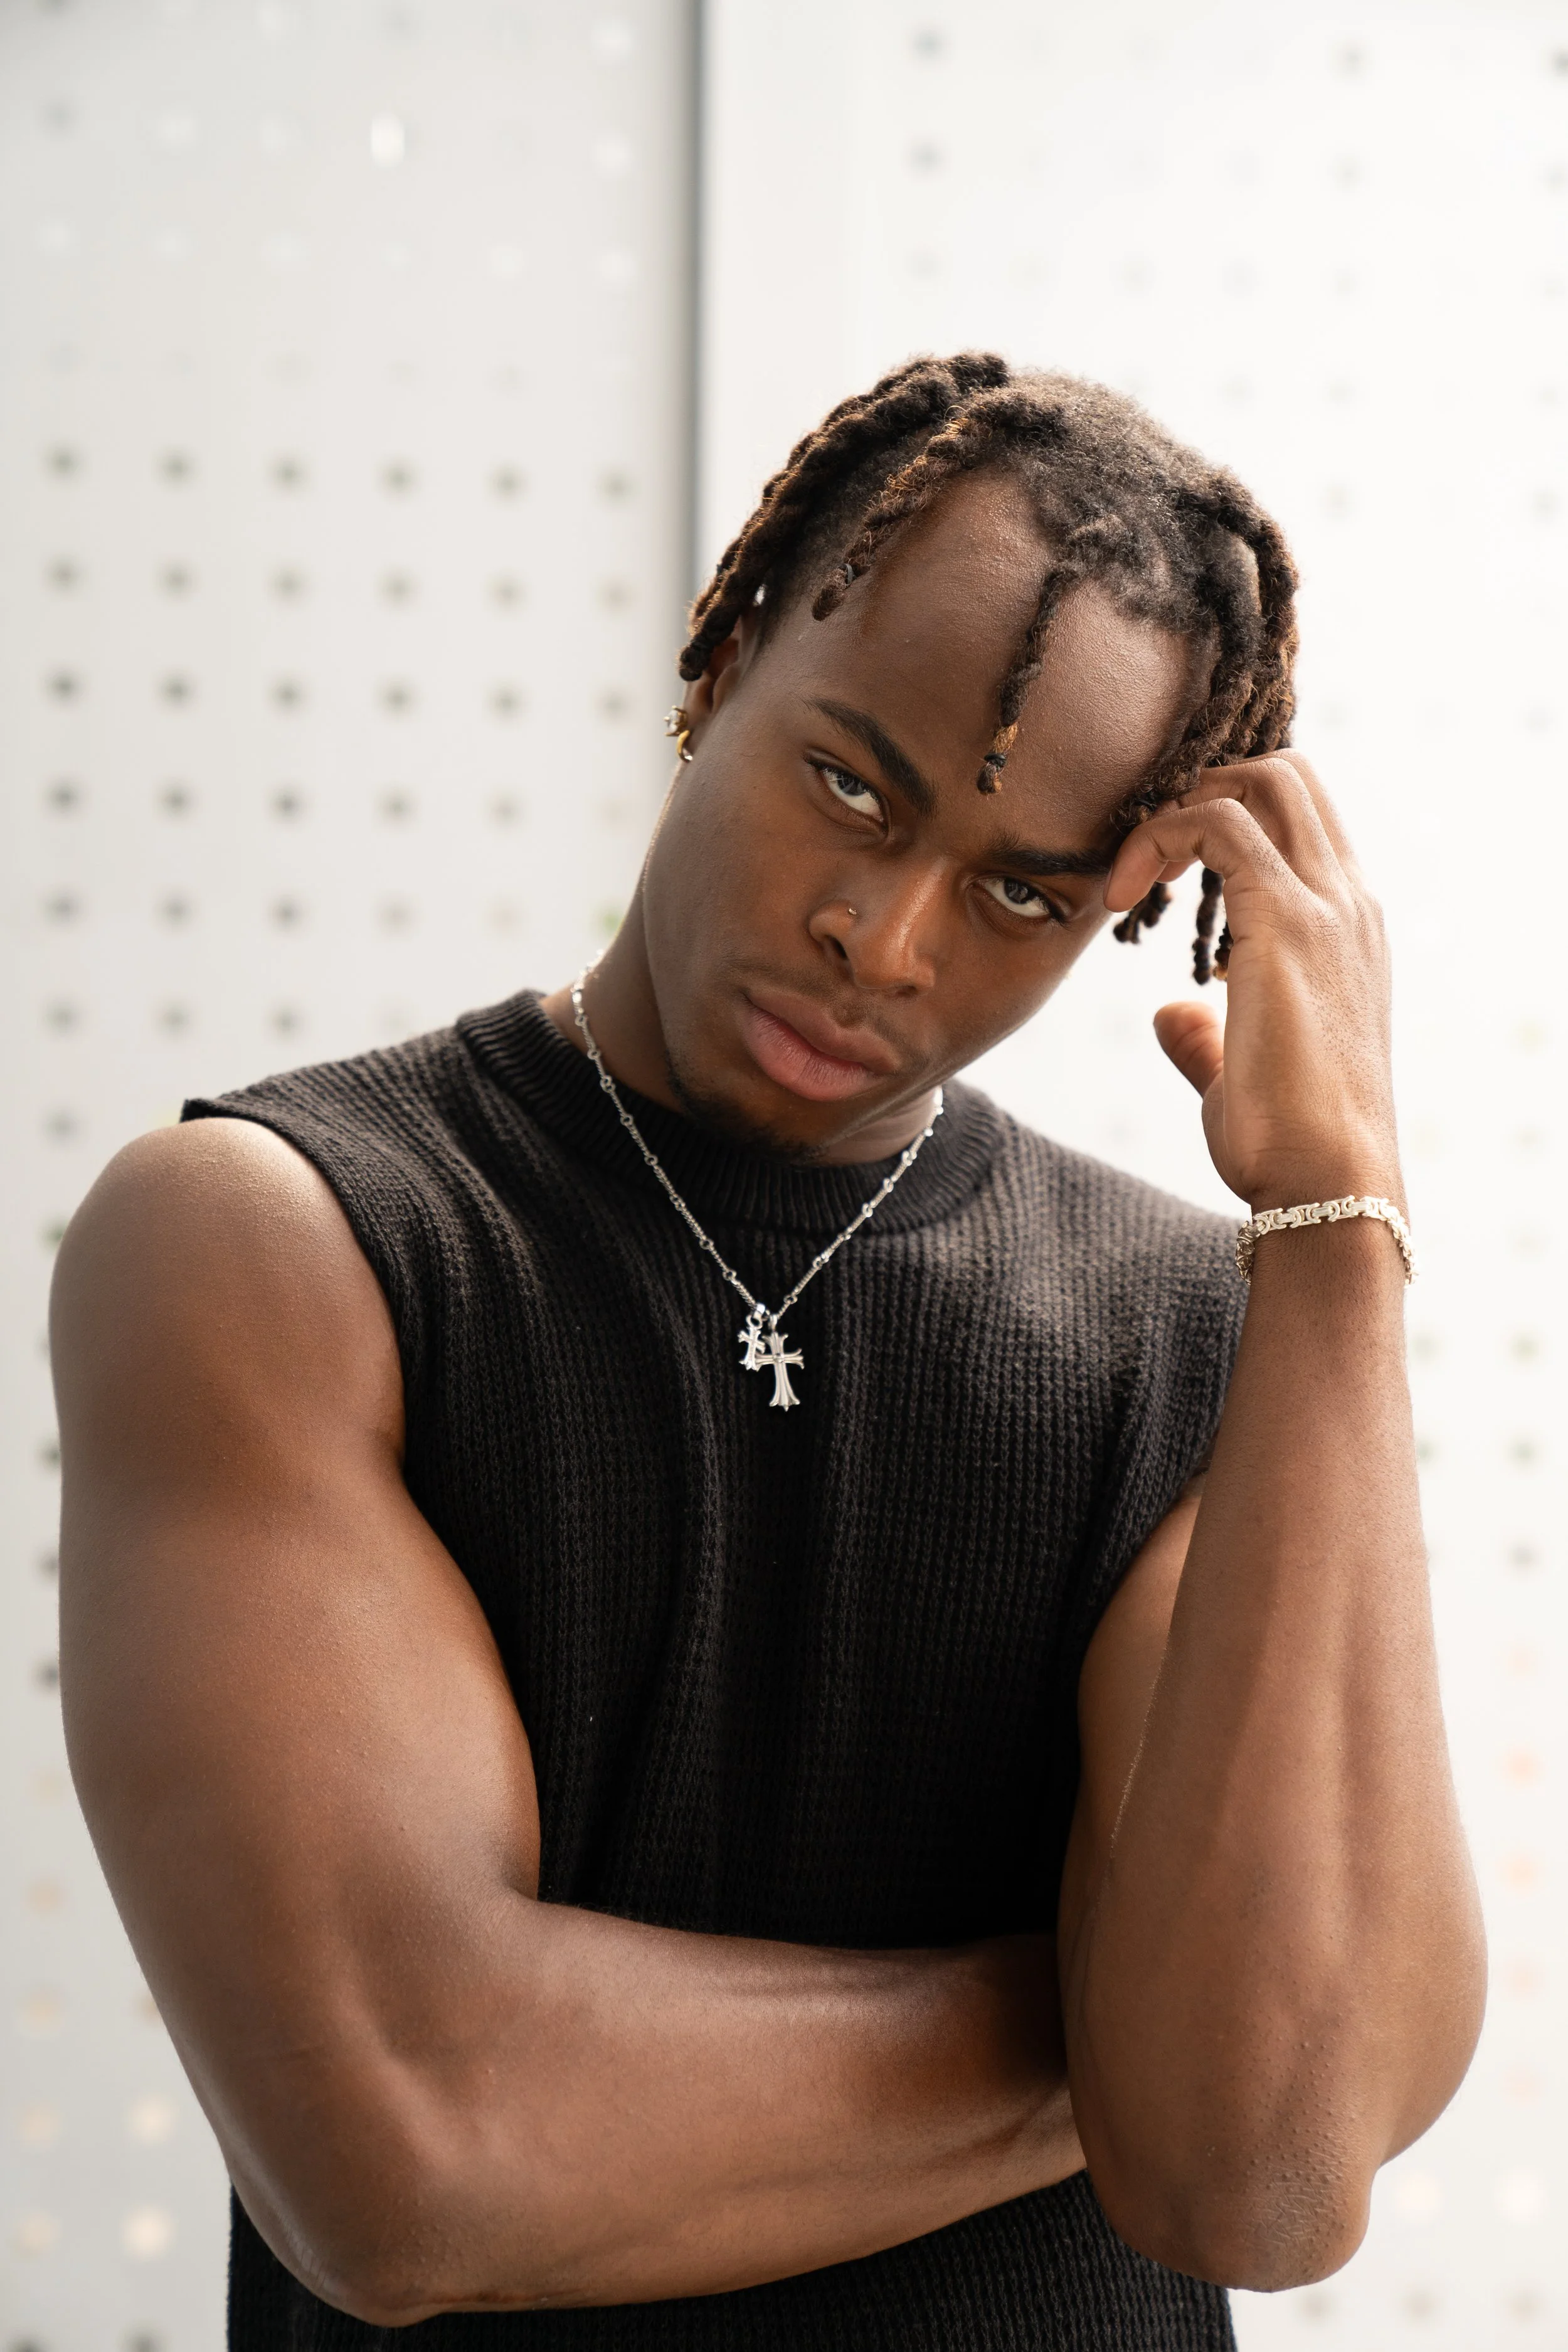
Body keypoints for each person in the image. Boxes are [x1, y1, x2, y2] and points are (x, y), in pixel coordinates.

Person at [52, 356, 1484, 2351]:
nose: (886, 941)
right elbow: (405, 2143)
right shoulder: (285, 1245)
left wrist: (1334, 1229)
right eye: (849, 784)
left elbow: (1253, 2159)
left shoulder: (1194, 1331)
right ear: (724, 649)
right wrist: (1112, 2020)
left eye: (1016, 894)